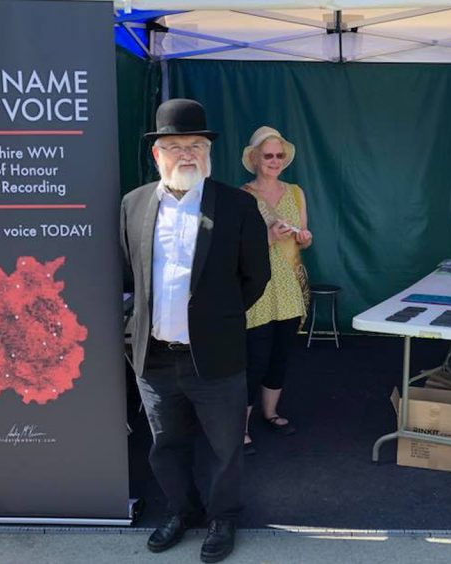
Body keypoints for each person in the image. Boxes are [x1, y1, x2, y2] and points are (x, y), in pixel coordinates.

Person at [120, 99, 270, 563]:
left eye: (196, 145)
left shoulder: (238, 205)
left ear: (208, 151)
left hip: (216, 354)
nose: (186, 153)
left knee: (225, 447)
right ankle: (181, 512)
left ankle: (223, 517)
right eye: (175, 146)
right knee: (165, 445)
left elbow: (256, 277)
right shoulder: (133, 204)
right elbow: (128, 274)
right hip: (156, 357)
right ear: (156, 154)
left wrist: (216, 319)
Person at [240, 126, 313, 454]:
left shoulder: (296, 192)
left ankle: (270, 413)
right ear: (254, 158)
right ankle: (238, 426)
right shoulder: (241, 196)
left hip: (289, 285)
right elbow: (234, 247)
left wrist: (304, 238)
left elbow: (304, 235)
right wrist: (269, 237)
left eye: (279, 155)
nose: (274, 160)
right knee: (253, 358)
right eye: (267, 155)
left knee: (280, 354)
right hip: (258, 286)